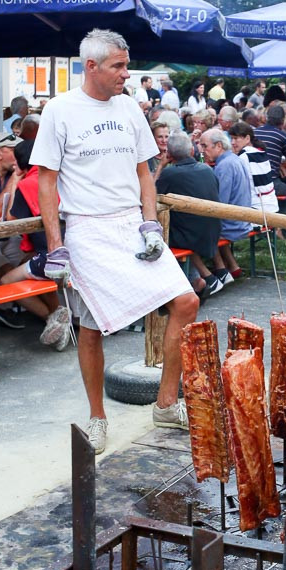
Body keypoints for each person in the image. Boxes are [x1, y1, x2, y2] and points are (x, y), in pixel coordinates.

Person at [30, 28, 199, 453]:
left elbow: (145, 171)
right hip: (87, 228)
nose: (126, 73)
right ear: (91, 67)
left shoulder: (128, 108)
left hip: (130, 225)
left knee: (187, 301)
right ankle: (97, 417)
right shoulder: (60, 110)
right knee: (91, 328)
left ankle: (164, 403)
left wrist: (149, 224)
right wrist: (56, 245)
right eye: (118, 66)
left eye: (126, 64)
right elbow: (46, 183)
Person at [0, 130, 70, 342]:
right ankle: (52, 317)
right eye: (12, 150)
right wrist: (17, 177)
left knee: (28, 264)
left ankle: (58, 316)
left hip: (4, 235)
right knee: (7, 273)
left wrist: (17, 176)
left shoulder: (16, 174)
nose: (17, 156)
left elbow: (11, 217)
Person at [155, 131, 223, 297]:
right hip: (213, 231)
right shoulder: (207, 170)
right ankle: (199, 278)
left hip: (191, 236)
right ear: (192, 151)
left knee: (158, 235)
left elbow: (151, 196)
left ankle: (187, 283)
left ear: (169, 155)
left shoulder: (170, 174)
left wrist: (160, 167)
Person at [197, 127, 252, 281]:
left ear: (219, 146)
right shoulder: (234, 159)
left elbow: (220, 205)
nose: (201, 151)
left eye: (205, 146)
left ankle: (219, 271)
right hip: (243, 219)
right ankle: (232, 266)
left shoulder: (224, 166)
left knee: (198, 226)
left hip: (233, 225)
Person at [254, 103, 286, 217]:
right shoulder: (283, 136)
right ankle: (280, 228)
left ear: (267, 118)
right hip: (270, 182)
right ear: (283, 120)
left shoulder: (255, 133)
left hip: (253, 181)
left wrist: (278, 164)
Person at [229, 121, 278, 214]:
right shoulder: (261, 151)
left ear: (247, 138)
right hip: (272, 206)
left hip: (256, 210)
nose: (232, 142)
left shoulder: (243, 157)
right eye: (231, 139)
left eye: (235, 138)